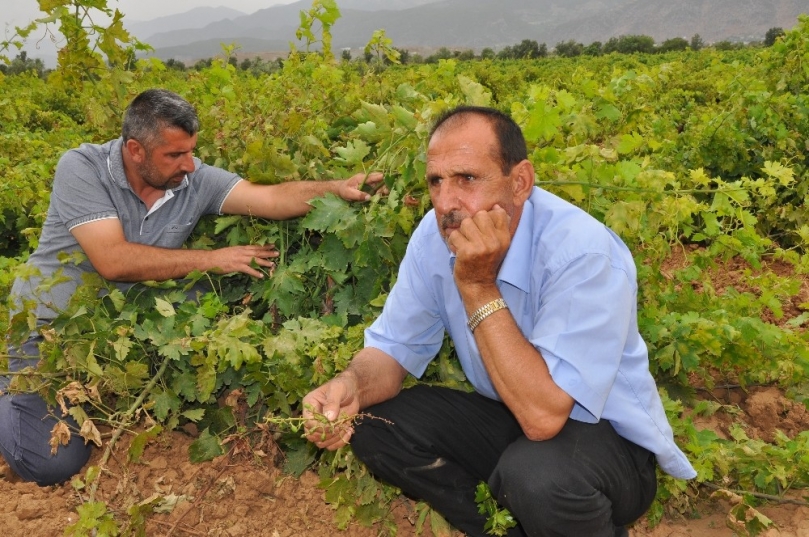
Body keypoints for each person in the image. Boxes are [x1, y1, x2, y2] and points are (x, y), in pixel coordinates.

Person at [302, 105, 696, 536]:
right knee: (375, 424)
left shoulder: (582, 253)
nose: (447, 203)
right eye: (436, 181)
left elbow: (546, 417)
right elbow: (393, 348)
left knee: (536, 475)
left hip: (606, 445)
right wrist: (351, 386)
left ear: (520, 182)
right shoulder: (434, 239)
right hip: (514, 416)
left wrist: (477, 285)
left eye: (467, 179)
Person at [2, 88, 383, 486]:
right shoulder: (82, 168)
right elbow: (112, 260)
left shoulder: (191, 178)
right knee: (52, 464)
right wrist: (212, 259)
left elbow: (267, 198)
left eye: (191, 151)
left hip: (117, 332)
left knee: (201, 299)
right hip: (51, 330)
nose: (189, 165)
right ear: (135, 150)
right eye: (174, 155)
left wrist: (338, 187)